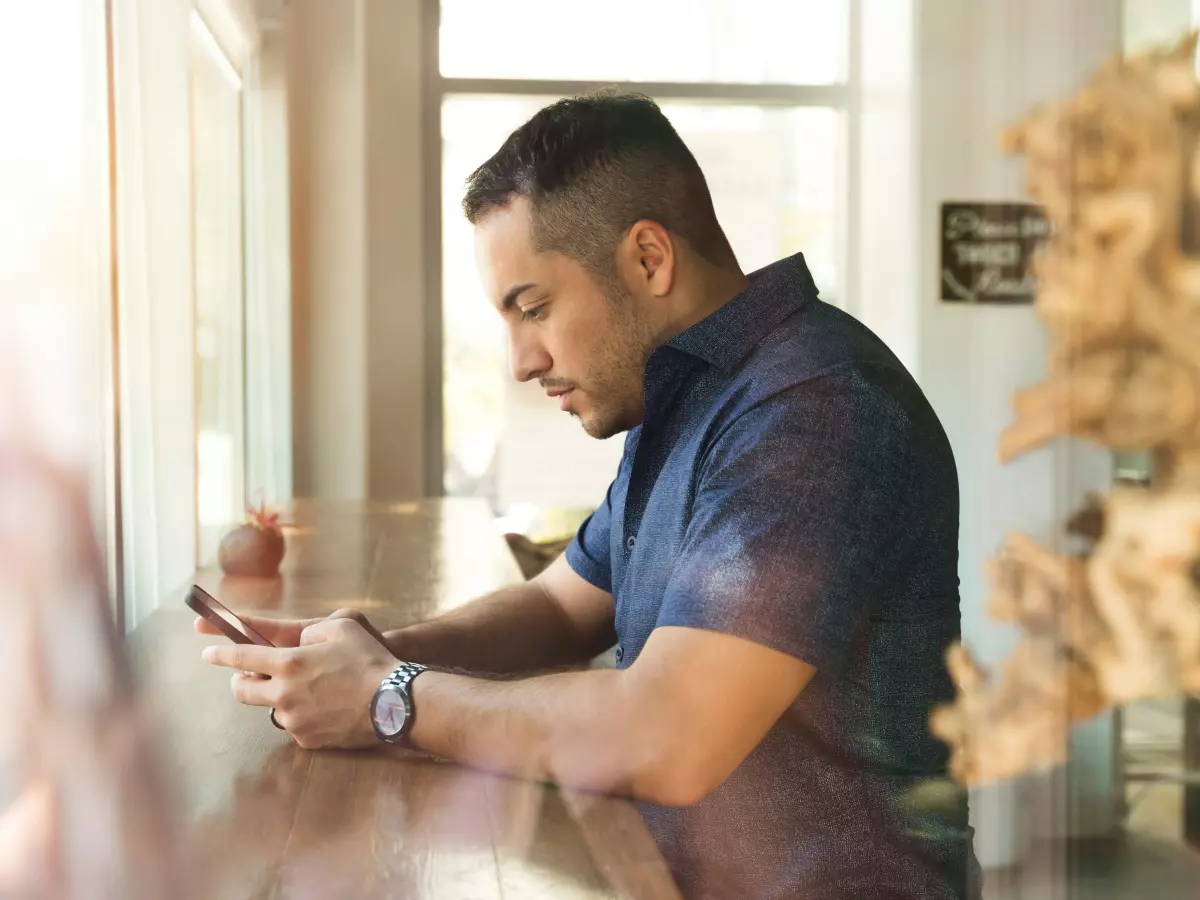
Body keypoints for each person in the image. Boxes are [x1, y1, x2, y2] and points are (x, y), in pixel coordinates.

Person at [200, 91, 981, 899]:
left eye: (533, 308)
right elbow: (560, 608)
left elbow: (667, 734)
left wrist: (390, 700)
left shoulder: (818, 410)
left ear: (648, 258)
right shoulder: (686, 394)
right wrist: (367, 655)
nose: (521, 362)